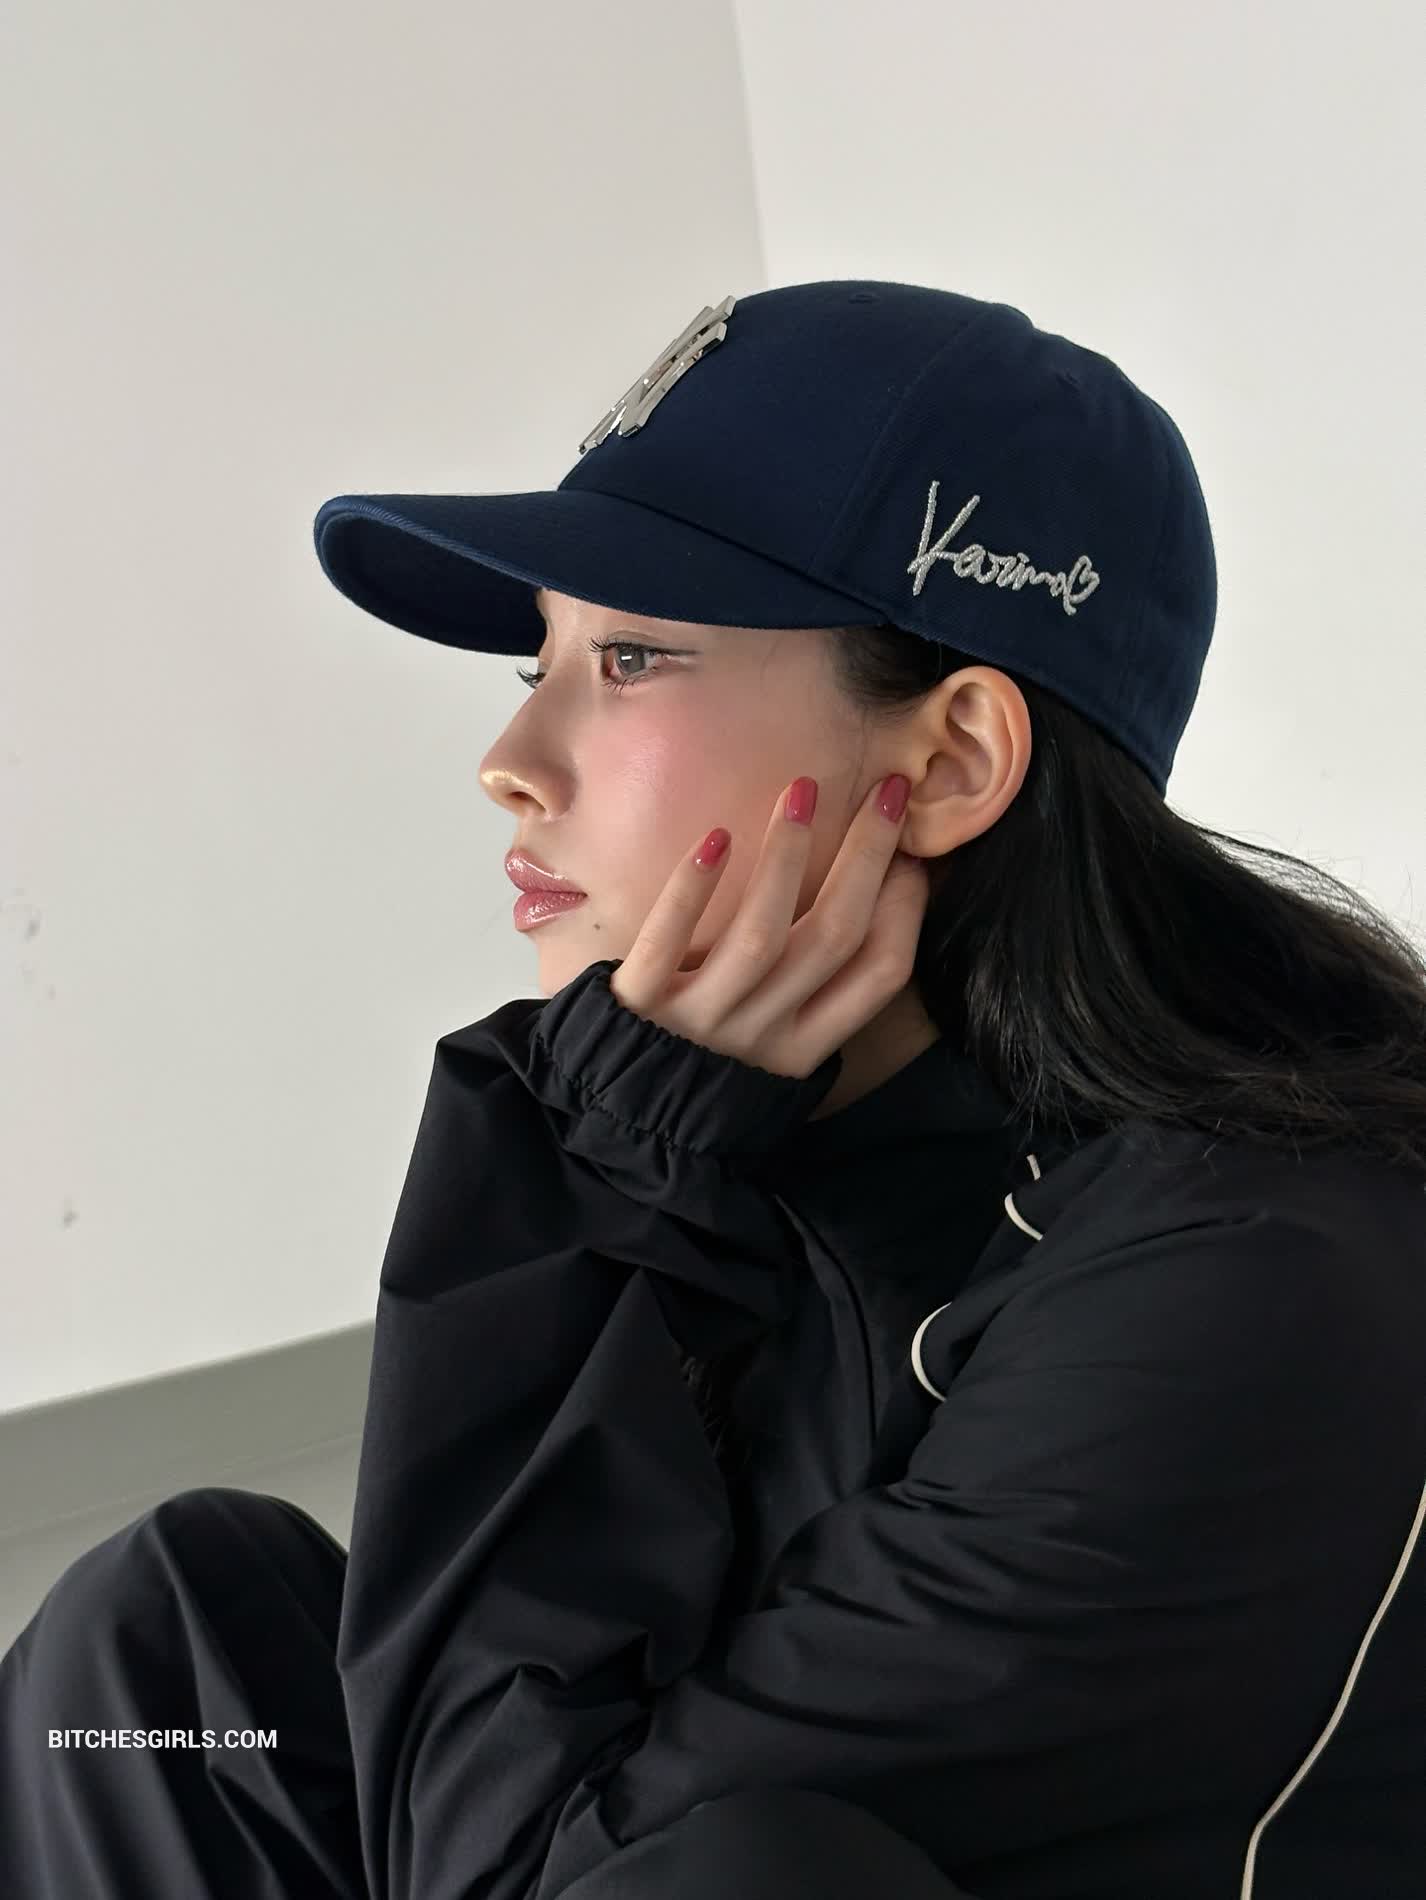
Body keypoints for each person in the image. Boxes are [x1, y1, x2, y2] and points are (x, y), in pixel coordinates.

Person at [3, 280, 1424, 1900]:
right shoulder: (782, 1126)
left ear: (952, 760)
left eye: (628, 656)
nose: (511, 761)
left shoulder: (1239, 1286)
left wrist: (590, 1157)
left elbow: (512, 1871)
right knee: (153, 1670)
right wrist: (633, 1161)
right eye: (535, 659)